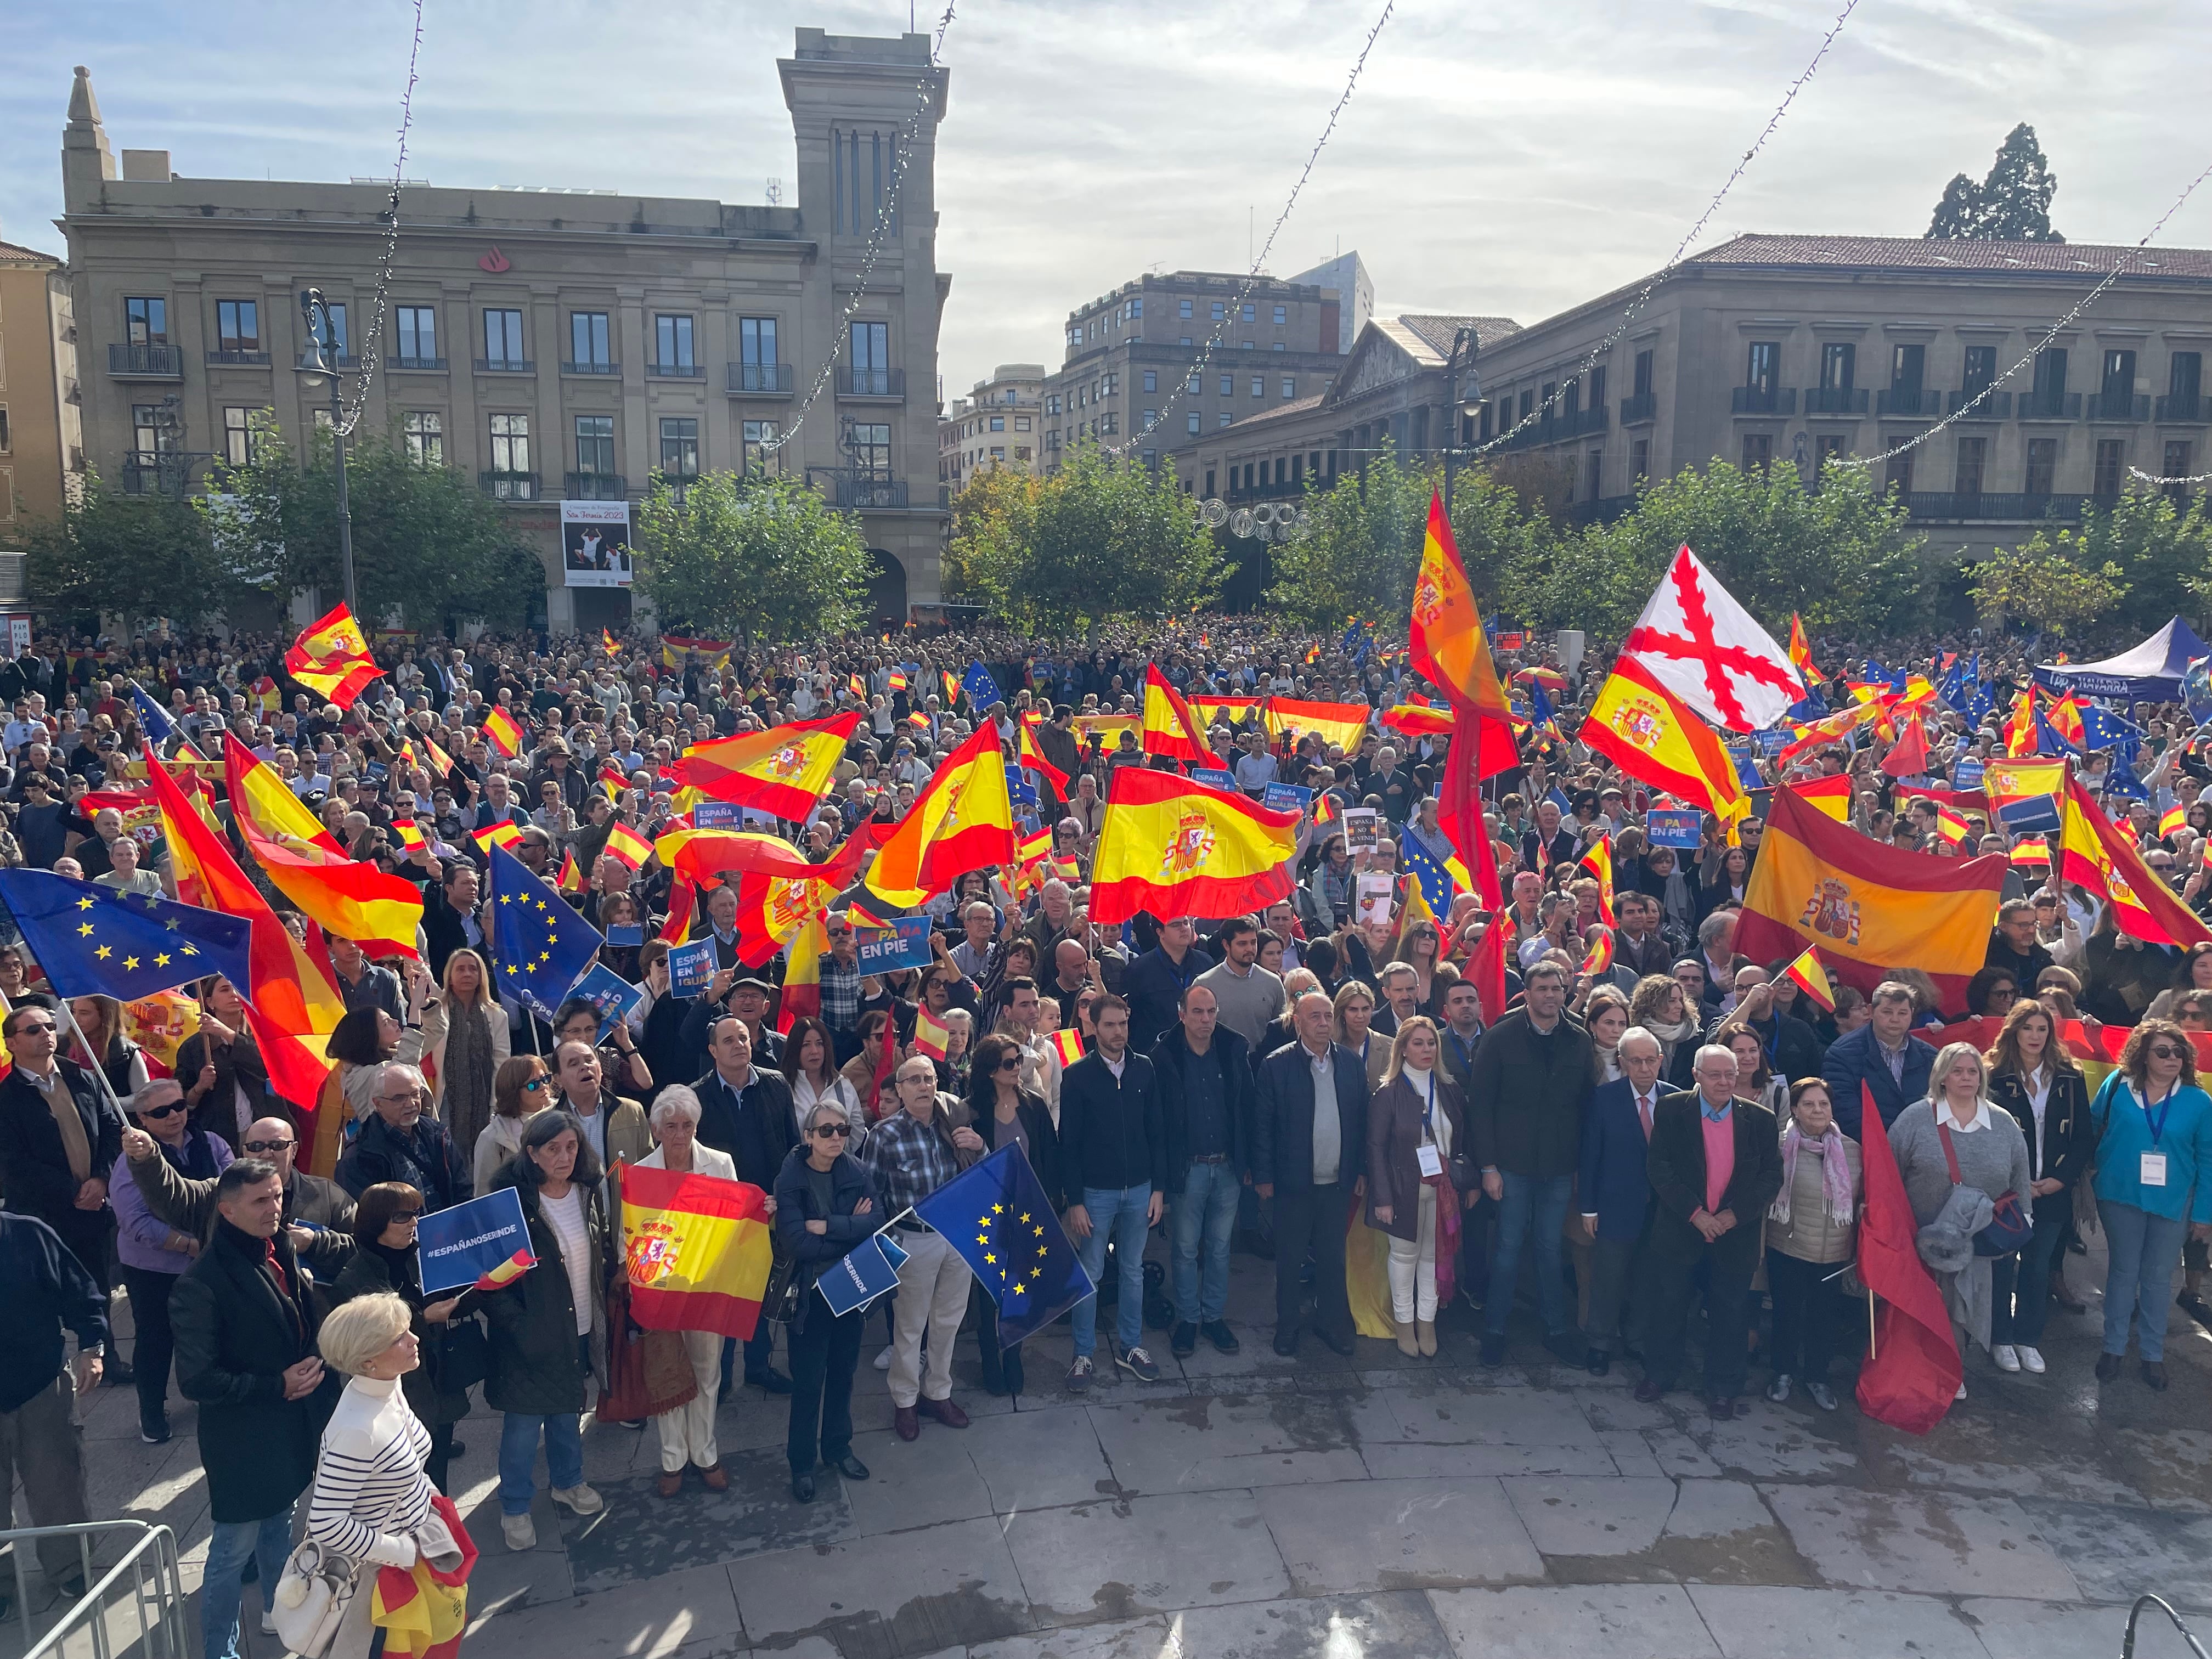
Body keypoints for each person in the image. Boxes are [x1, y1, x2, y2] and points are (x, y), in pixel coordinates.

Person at [172, 1159, 343, 1659]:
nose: (276, 1208)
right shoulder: (200, 1283)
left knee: (280, 1526)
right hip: (242, 1439)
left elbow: (297, 1319)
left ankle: (279, 1614)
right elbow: (198, 1380)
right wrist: (276, 1385)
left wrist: (313, 1356)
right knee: (231, 1553)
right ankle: (220, 1650)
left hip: (290, 1424)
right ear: (227, 1211)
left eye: (277, 1196)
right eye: (261, 1201)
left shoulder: (281, 1246)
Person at [481, 1110, 607, 1550]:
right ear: (531, 1153)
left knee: (567, 1412)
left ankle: (568, 1482)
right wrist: (520, 1328)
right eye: (552, 1149)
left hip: (577, 1325)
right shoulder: (509, 1202)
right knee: (522, 1426)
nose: (565, 1156)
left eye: (571, 1146)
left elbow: (596, 1251)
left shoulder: (588, 1192)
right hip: (528, 1333)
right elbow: (489, 1280)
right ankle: (515, 1506)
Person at [1637, 1045, 1784, 1420]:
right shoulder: (1671, 1110)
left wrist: (1735, 1215)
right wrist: (1695, 1214)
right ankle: (1659, 1375)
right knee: (1668, 1307)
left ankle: (1723, 1388)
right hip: (1680, 1231)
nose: (1723, 1082)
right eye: (1715, 1074)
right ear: (1697, 1075)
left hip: (1735, 1236)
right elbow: (1660, 1169)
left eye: (1730, 1074)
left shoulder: (1761, 1120)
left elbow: (1771, 1177)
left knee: (1731, 1315)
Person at [1887, 1042, 2034, 1400]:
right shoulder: (1915, 1119)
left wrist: (2023, 1218)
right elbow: (1889, 1170)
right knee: (1925, 1306)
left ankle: (1951, 1372)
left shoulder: (2002, 1123)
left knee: (1964, 1306)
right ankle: (1923, 1368)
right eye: (1958, 1070)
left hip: (1978, 1240)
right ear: (1942, 1076)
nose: (1966, 1078)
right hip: (1921, 1236)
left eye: (1973, 1071)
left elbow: (2020, 1176)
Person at [1466, 960, 1594, 1368]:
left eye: (1557, 988)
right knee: (1506, 1248)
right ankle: (1495, 1330)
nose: (1551, 996)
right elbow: (1480, 1106)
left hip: (1558, 1165)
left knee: (1548, 1247)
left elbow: (1586, 1105)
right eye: (1542, 989)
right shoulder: (1500, 1037)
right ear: (1528, 992)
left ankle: (1556, 1329)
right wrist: (1487, 1166)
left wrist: (1580, 1167)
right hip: (1511, 1165)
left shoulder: (1579, 1039)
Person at [302, 1291, 440, 1659]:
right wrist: (400, 1552)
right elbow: (325, 1521)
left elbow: (408, 1461)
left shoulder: (387, 1386)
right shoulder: (356, 1428)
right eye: (399, 1338)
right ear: (368, 1361)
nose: (415, 1340)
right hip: (377, 1583)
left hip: (409, 1555)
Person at [856, 1056, 983, 1436]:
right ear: (899, 1089)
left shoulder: (954, 1119)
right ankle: (906, 1402)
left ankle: (938, 1393)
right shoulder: (883, 1135)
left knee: (948, 1322)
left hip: (957, 1237)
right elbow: (872, 1195)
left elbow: (982, 1176)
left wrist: (980, 1146)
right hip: (914, 1241)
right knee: (910, 1329)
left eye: (929, 1079)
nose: (925, 1086)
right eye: (915, 1080)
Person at [2084, 1018, 2212, 1392]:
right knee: (2123, 1272)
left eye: (2179, 1052)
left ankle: (2152, 1355)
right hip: (2119, 1194)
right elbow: (2093, 1125)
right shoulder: (2117, 1086)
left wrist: (2204, 1215)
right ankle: (2113, 1347)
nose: (2173, 1058)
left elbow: (2208, 1159)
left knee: (2158, 1278)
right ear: (2143, 1055)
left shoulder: (2198, 1100)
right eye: (2163, 1051)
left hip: (2173, 1199)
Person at [329, 1182, 472, 1494]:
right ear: (377, 1222)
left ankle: (439, 1526)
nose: (414, 1223)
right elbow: (366, 1345)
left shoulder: (424, 1257)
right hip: (397, 1394)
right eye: (403, 1217)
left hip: (438, 1377)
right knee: (404, 1483)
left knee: (438, 1474)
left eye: (417, 1214)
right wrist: (425, 1319)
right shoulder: (354, 1278)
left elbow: (450, 1297)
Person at [110, 1077, 230, 1444]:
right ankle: (152, 1411)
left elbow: (234, 1188)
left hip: (210, 1261)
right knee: (155, 1338)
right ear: (143, 1119)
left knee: (213, 1332)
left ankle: (212, 1391)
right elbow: (134, 1220)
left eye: (179, 1106)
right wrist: (188, 1245)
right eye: (161, 1112)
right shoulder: (131, 1159)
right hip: (154, 1268)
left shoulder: (212, 1143)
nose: (174, 1116)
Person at [0, 1207, 105, 1622]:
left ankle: (70, 1568)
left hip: (40, 1384)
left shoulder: (30, 1235)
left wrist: (92, 1346)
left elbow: (82, 1293)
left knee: (58, 1483)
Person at [1058, 994, 1167, 1390]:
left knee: (1133, 1272)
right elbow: (1068, 1144)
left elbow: (1157, 1132)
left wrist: (1159, 1188)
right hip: (1095, 1193)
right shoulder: (1077, 1076)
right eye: (1110, 1025)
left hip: (1140, 1189)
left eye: (1123, 1024)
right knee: (1090, 1273)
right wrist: (1076, 1200)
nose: (1118, 1032)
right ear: (1095, 1027)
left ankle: (1132, 1346)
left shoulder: (1145, 1069)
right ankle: (1083, 1354)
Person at [773, 1098, 879, 1503]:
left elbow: (875, 1222)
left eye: (842, 1130)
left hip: (851, 1288)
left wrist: (828, 1226)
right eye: (826, 1131)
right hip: (810, 1294)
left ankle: (838, 1448)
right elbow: (796, 1241)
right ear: (808, 1137)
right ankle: (802, 1463)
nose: (836, 1137)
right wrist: (846, 1233)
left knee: (844, 1374)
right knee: (808, 1382)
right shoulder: (791, 1178)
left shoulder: (857, 1170)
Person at [1252, 989, 1368, 1358]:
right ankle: (1287, 1326)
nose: (1322, 1023)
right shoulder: (1276, 1065)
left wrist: (1361, 1170)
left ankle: (1330, 1323)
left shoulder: (1350, 1063)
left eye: (1327, 1016)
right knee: (1290, 1259)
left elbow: (1362, 1122)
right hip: (1293, 1183)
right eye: (1314, 1017)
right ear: (1297, 1022)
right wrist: (1264, 1176)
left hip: (1338, 1182)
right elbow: (1263, 1127)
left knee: (1333, 1259)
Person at [633, 1085, 735, 1495]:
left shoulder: (721, 1163)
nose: (680, 1134)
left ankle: (705, 1453)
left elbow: (734, 1224)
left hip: (707, 1286)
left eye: (688, 1125)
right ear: (656, 1130)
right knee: (668, 1373)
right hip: (660, 1290)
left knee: (708, 1372)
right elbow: (631, 1235)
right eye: (671, 1126)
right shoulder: (641, 1172)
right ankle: (673, 1459)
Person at [1984, 1000, 2094, 1376]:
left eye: (2042, 1029)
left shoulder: (2069, 1075)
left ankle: (2027, 1339)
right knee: (2001, 1268)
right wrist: (2016, 1183)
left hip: (2052, 1189)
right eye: (2028, 1028)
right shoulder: (1993, 1075)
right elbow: (1985, 1136)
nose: (2035, 1036)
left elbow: (2083, 1137)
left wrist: (2059, 1181)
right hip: (2008, 1192)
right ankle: (1999, 1338)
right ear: (2014, 1031)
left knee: (2038, 1267)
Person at [690, 1016, 797, 1393]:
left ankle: (758, 1367)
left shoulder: (775, 1083)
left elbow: (792, 1145)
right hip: (720, 1217)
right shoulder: (697, 1096)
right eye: (728, 1040)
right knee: (723, 1298)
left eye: (743, 1037)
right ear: (713, 1051)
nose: (739, 1044)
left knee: (758, 1292)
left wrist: (784, 1196)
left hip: (765, 1209)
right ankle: (718, 1380)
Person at [1150, 984, 1253, 1359]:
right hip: (1188, 1169)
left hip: (1227, 1166)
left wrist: (1250, 1162)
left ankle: (1213, 1317)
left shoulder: (1232, 1049)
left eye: (1211, 1011)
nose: (1206, 1019)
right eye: (1197, 1012)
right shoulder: (1164, 1058)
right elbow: (1158, 1123)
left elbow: (1247, 1107)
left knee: (1222, 1248)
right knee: (1184, 1248)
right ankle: (1189, 1319)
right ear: (1182, 1015)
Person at [0, 1002, 126, 1297]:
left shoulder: (82, 1078)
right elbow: (14, 1162)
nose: (46, 1033)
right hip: (40, 1221)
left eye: (49, 1026)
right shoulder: (6, 1097)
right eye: (34, 1030)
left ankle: (104, 1345)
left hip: (92, 1214)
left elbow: (111, 1131)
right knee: (46, 1308)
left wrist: (101, 1180)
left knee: (98, 1302)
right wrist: (74, 1192)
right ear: (11, 1043)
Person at [1366, 1015, 1472, 1358]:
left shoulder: (1450, 1088)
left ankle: (1427, 1322)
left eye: (1431, 1043)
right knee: (1404, 1257)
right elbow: (1375, 1149)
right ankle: (1404, 1324)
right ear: (1402, 1049)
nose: (1426, 1049)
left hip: (1442, 1192)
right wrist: (1382, 1198)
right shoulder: (1388, 1093)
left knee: (1433, 1256)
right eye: (1418, 1043)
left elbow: (1463, 1140)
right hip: (1402, 1192)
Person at [966, 1033, 1063, 1395]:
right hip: (988, 1214)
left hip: (1028, 1210)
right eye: (1009, 1063)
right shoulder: (971, 1110)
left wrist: (1053, 1201)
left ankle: (1013, 1355)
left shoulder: (1034, 1105)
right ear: (991, 1071)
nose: (1017, 1068)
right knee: (989, 1292)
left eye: (1018, 1060)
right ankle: (989, 1357)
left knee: (1020, 1287)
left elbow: (1049, 1156)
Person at [1763, 1079, 1861, 1411]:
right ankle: (1782, 1373)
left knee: (1824, 1319)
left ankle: (1818, 1377)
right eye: (1809, 1104)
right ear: (1794, 1109)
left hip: (1834, 1252)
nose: (1817, 1110)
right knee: (1787, 1315)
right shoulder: (1778, 1147)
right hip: (1789, 1247)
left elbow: (1863, 1196)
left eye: (1823, 1104)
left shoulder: (1852, 1149)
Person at [1577, 1027, 1664, 1376]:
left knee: (1647, 1277)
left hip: (1660, 1210)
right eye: (1636, 1061)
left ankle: (1637, 1339)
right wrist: (1588, 1207)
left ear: (1661, 1061)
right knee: (1608, 1278)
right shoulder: (1605, 1099)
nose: (1644, 1068)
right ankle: (1599, 1343)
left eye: (1650, 1060)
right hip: (1614, 1205)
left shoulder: (1675, 1100)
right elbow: (1590, 1156)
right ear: (1623, 1062)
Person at [120, 1112, 355, 1240]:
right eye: (256, 1146)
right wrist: (148, 1157)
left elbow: (360, 1249)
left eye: (277, 1145)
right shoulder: (219, 1192)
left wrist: (316, 1244)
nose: (266, 1153)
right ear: (243, 1152)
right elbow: (173, 1198)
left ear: (293, 1150)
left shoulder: (327, 1195)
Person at [337, 1062, 472, 1212]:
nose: (411, 1103)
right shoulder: (361, 1156)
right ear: (378, 1103)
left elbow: (463, 1191)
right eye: (399, 1098)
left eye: (415, 1094)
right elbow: (368, 1220)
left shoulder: (437, 1134)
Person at [420, 946, 509, 1167]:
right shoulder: (436, 1011)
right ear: (449, 977)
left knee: (482, 1156)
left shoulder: (497, 1015)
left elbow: (502, 1063)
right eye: (460, 969)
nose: (467, 974)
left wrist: (496, 1103)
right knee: (447, 1155)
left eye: (473, 969)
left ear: (481, 977)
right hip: (446, 1096)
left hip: (485, 1098)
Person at [174, 975, 278, 1155]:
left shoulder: (262, 1035)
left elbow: (267, 1065)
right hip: (216, 1136)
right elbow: (183, 1102)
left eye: (237, 988)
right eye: (225, 990)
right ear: (210, 1002)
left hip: (262, 1131)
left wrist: (227, 1033)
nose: (234, 994)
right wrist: (200, 1086)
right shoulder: (195, 1047)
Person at [1821, 980, 1938, 1137]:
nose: (1895, 1019)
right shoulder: (1841, 1054)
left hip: (1921, 1148)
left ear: (1912, 1013)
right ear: (1871, 1011)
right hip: (1868, 1150)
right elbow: (1845, 1112)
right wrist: (1886, 1143)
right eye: (1887, 1012)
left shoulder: (1931, 1057)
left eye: (1902, 1013)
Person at [476, 1056, 553, 1192]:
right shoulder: (491, 1138)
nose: (543, 1086)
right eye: (533, 1085)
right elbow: (486, 1195)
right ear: (512, 1091)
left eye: (545, 1079)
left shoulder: (565, 1112)